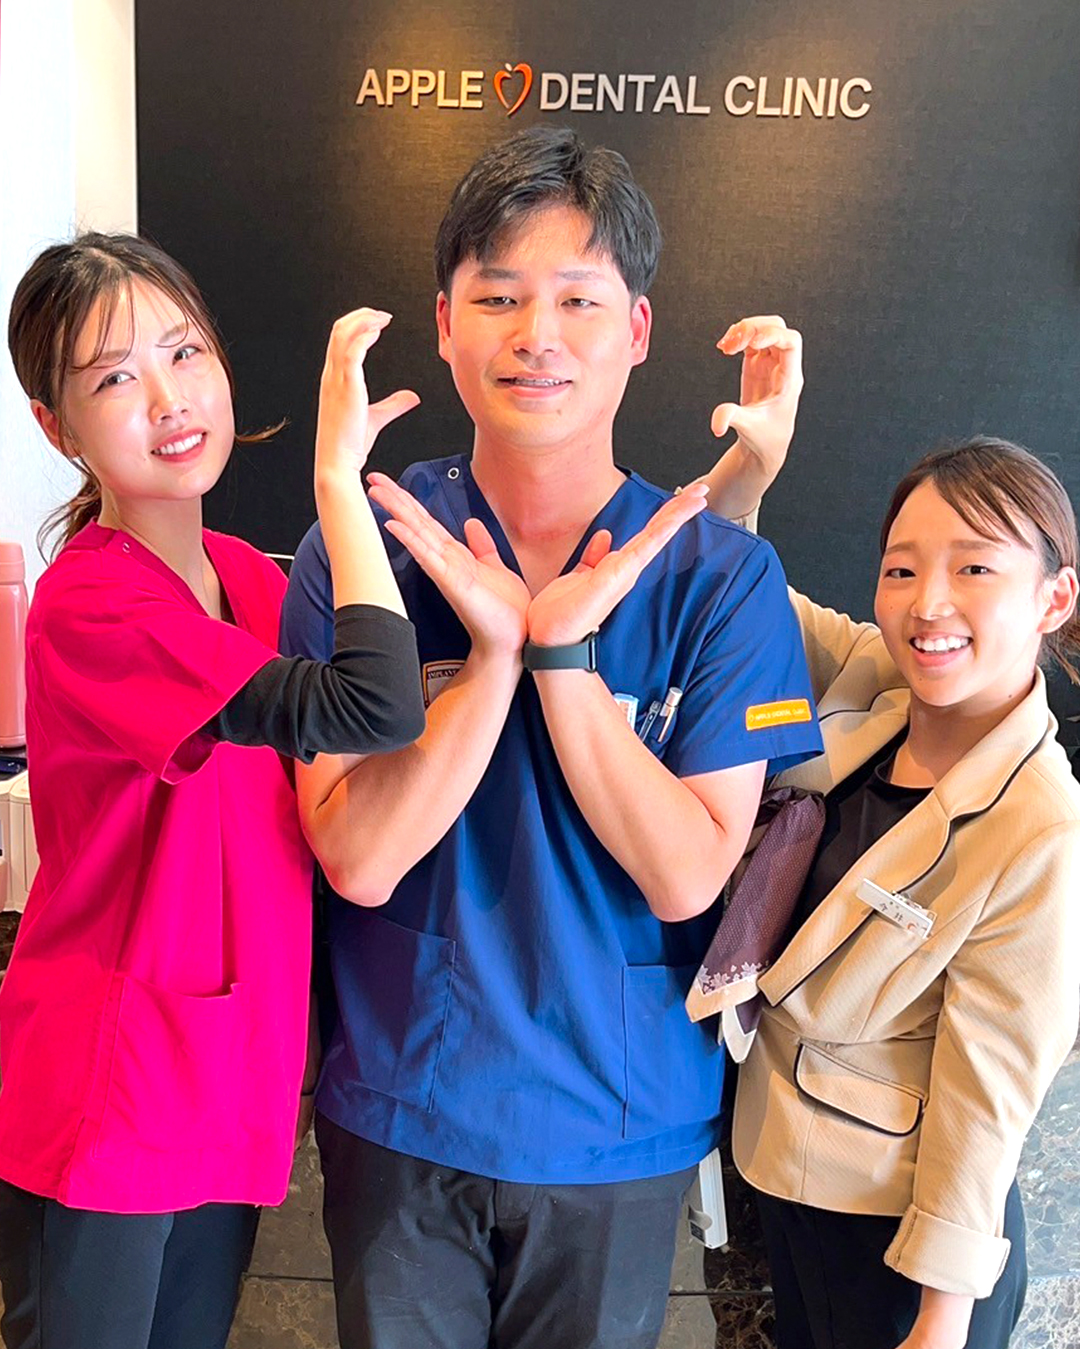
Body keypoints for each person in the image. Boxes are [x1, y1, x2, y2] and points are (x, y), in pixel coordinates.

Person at [281, 126, 822, 1349]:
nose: (538, 334)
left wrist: (564, 661)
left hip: (617, 1124)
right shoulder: (361, 549)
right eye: (499, 296)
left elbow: (689, 874)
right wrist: (490, 664)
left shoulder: (721, 577)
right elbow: (356, 855)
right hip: (405, 1107)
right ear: (444, 323)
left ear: (637, 329)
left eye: (580, 298)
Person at [0, 233, 428, 1349]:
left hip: (230, 1069)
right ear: (56, 427)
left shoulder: (244, 576)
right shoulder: (94, 605)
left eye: (184, 353)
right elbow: (375, 706)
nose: (168, 399)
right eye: (114, 378)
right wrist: (337, 487)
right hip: (111, 1087)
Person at [700, 402, 1080, 1349]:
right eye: (902, 569)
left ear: (1053, 598)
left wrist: (941, 1319)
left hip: (901, 1241)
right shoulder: (879, 681)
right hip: (788, 1181)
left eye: (975, 568)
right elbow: (739, 591)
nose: (928, 604)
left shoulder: (1038, 821)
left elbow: (988, 1088)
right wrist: (746, 475)